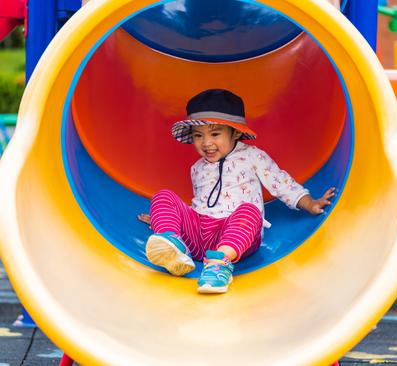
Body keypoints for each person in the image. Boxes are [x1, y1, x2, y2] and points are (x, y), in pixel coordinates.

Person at [138, 89, 335, 294]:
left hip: (237, 237)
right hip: (199, 237)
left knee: (249, 211)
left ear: (236, 132)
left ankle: (218, 265)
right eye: (198, 136)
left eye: (215, 134)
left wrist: (308, 202)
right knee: (163, 196)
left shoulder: (252, 156)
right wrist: (168, 219)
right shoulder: (197, 167)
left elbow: (280, 182)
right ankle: (173, 245)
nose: (206, 143)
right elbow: (202, 204)